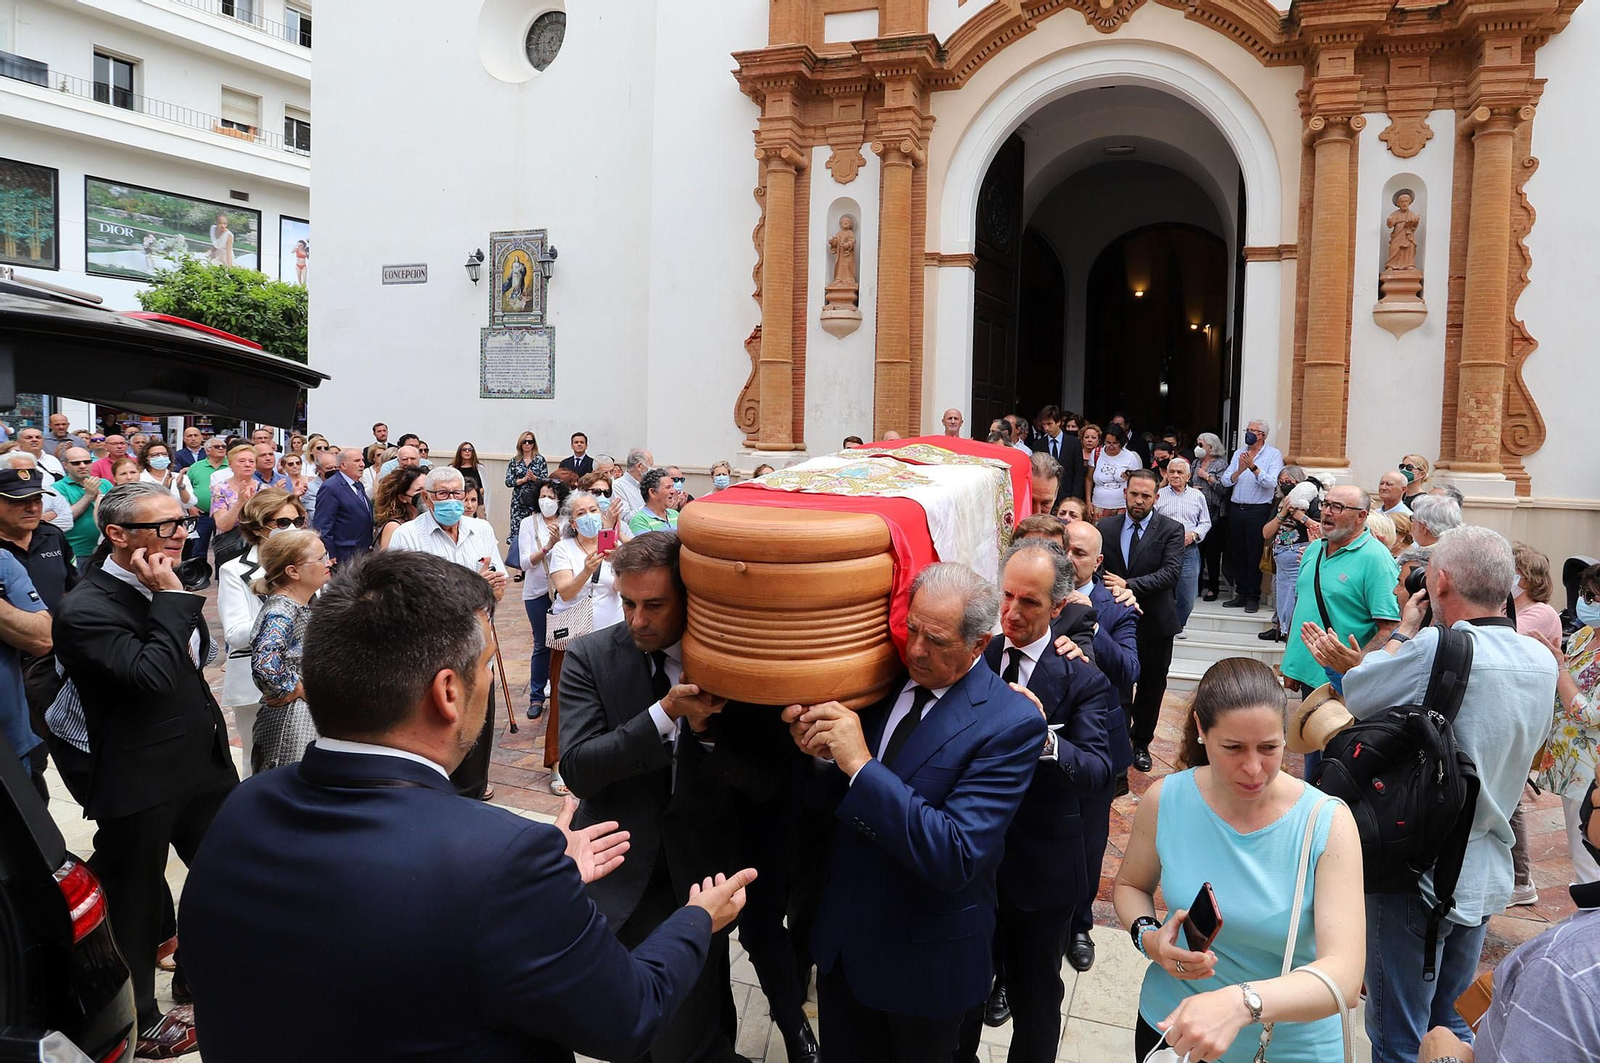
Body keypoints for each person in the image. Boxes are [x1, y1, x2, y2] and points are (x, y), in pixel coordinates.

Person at [179, 549, 756, 1063]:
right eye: (486, 669)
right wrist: (696, 919)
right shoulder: (504, 858)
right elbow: (627, 1018)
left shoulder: (243, 808)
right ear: (448, 692)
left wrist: (539, 889)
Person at [778, 563, 1043, 1060]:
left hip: (927, 969)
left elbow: (955, 853)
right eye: (912, 629)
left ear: (978, 644)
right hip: (844, 952)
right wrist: (820, 760)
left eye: (936, 640)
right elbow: (831, 809)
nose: (916, 649)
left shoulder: (1010, 723)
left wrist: (859, 764)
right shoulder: (876, 683)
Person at [1337, 526, 1554, 1063]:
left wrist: (1404, 630)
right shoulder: (1541, 660)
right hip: (1485, 870)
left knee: (1397, 1036)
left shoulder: (1437, 646)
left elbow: (1358, 692)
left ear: (1440, 579)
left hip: (1418, 868)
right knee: (1452, 1025)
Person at [559, 531, 765, 1063]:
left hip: (702, 873)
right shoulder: (589, 656)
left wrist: (710, 734)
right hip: (623, 878)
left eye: (654, 605)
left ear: (689, 597)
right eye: (627, 603)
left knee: (697, 1021)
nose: (636, 620)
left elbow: (764, 777)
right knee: (640, 1030)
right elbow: (579, 768)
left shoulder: (730, 660)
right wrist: (665, 715)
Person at [51, 483, 234, 1056]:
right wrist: (171, 599)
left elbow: (188, 666)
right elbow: (150, 675)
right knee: (136, 903)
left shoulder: (168, 583)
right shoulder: (86, 608)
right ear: (117, 535)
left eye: (183, 521)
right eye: (164, 527)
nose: (180, 534)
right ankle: (140, 1018)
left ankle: (198, 977)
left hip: (201, 765)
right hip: (141, 778)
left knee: (223, 874)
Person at [1114, 657, 1364, 1063]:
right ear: (1200, 730)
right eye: (1233, 748)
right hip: (1173, 1033)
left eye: (1269, 748)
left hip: (1287, 1050)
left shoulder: (1326, 822)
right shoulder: (1167, 798)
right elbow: (1130, 886)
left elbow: (1345, 975)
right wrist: (1150, 937)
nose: (1253, 769)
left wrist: (1240, 1003)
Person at [955, 540, 1116, 1063]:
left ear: (1058, 607)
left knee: (1036, 1002)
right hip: (971, 864)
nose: (1011, 612)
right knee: (963, 995)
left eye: (1028, 602)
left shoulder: (1082, 678)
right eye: (1006, 596)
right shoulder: (976, 657)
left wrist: (1041, 734)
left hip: (1039, 874)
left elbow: (1097, 772)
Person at [389, 466, 507, 801]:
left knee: (476, 727)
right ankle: (436, 796)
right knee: (437, 727)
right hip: (433, 650)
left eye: (457, 493)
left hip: (477, 646)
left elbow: (496, 586)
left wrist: (493, 589)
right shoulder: (408, 536)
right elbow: (402, 597)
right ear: (426, 497)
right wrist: (472, 588)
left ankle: (472, 792)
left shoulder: (480, 529)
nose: (452, 500)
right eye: (443, 494)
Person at [1098, 469, 1184, 775]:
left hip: (1155, 624)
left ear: (1156, 498)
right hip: (1115, 621)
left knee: (1150, 686)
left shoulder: (1171, 529)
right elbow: (1097, 569)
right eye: (1134, 494)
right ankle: (1118, 742)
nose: (1139, 500)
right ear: (1125, 493)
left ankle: (1141, 743)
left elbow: (1170, 573)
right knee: (1118, 684)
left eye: (1146, 495)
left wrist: (1128, 584)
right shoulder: (1105, 527)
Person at [544, 489, 625, 797]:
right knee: (566, 701)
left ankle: (602, 757)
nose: (589, 516)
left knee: (609, 698)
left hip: (612, 633)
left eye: (593, 509)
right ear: (573, 522)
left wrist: (618, 560)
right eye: (581, 513)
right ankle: (558, 763)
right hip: (575, 638)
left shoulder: (612, 545)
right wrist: (587, 570)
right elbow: (564, 591)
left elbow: (621, 588)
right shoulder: (564, 549)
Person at [1290, 486, 1402, 700]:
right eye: (1326, 504)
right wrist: (1293, 662)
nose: (1326, 512)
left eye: (1337, 507)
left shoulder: (1376, 559)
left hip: (1344, 685)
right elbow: (1303, 607)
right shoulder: (1314, 549)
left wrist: (1354, 669)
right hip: (1308, 675)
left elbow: (1390, 627)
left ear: (1361, 516)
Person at [1529, 563, 1600, 884]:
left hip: (1591, 765)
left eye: (1593, 596)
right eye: (1585, 594)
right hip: (1569, 758)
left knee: (1589, 848)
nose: (1585, 602)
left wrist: (1559, 668)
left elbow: (1590, 713)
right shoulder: (1585, 635)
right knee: (1578, 840)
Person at [249, 528, 330, 772]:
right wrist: (298, 688)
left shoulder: (303, 605)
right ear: (293, 571)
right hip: (290, 723)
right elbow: (265, 665)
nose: (328, 563)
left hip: (305, 716)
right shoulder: (281, 611)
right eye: (320, 559)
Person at [0, 484, 52, 799]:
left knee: (29, 836)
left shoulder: (3, 561)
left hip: (13, 742)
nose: (32, 508)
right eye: (22, 502)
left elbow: (43, 637)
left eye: (37, 500)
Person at [1221, 419, 1284, 614]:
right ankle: (1240, 593)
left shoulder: (1273, 454)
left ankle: (1252, 596)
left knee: (1254, 553)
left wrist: (1253, 468)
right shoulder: (1239, 453)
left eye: (1252, 431)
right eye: (1247, 430)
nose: (1248, 433)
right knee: (1237, 552)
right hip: (1236, 508)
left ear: (1262, 435)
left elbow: (1272, 482)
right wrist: (1240, 468)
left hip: (1258, 511)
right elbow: (1225, 480)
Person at [518, 479, 566, 721]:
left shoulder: (568, 523)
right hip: (537, 592)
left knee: (564, 643)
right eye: (543, 495)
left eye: (553, 496)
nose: (547, 501)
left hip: (564, 591)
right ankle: (536, 696)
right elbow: (525, 562)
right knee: (542, 644)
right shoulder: (529, 523)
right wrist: (548, 546)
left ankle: (562, 694)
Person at [1261, 482, 1322, 645]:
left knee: (1299, 603)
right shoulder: (1283, 504)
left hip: (1299, 559)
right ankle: (1286, 639)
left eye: (1289, 480)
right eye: (1281, 480)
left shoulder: (1313, 503)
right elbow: (1266, 532)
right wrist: (1282, 513)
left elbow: (1321, 530)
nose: (1284, 484)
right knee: (1283, 604)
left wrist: (1301, 516)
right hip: (1281, 560)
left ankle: (1293, 646)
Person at [1154, 456, 1211, 631]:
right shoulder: (1158, 495)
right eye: (1172, 472)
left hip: (1188, 550)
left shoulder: (1197, 496)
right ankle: (1167, 626)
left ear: (1189, 476)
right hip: (1162, 550)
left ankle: (1179, 624)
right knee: (1161, 592)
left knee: (1187, 596)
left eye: (1180, 472)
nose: (1175, 475)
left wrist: (1194, 535)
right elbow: (1152, 521)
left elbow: (1205, 522)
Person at [311, 448, 375, 566]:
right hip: (343, 554)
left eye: (362, 460)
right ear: (343, 465)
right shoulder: (331, 487)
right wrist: (330, 553)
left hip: (362, 552)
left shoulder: (358, 485)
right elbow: (323, 525)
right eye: (357, 461)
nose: (362, 464)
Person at [54, 447, 110, 572]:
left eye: (87, 462)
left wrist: (99, 497)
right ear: (65, 465)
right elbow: (65, 518)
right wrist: (89, 495)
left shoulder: (104, 483)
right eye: (76, 463)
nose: (83, 466)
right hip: (77, 552)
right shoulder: (57, 488)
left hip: (106, 550)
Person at [1088, 424, 1142, 520]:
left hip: (1122, 505)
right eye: (1108, 443)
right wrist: (1088, 501)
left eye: (1115, 443)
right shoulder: (1096, 453)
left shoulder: (1130, 456)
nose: (1111, 446)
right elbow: (1089, 479)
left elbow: (1138, 481)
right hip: (1099, 504)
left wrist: (1129, 478)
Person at [1511, 542, 1561, 643]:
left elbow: (1503, 637)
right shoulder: (1504, 607)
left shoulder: (1542, 612)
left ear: (1531, 579)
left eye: (1513, 570)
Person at [506, 431, 549, 545]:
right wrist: (522, 480)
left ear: (533, 444)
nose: (527, 444)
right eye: (524, 442)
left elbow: (546, 480)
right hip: (518, 501)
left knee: (535, 529)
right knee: (517, 529)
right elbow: (508, 481)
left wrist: (534, 478)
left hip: (534, 500)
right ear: (520, 444)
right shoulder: (514, 461)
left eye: (530, 442)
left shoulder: (540, 460)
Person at [372, 466, 426, 551]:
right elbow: (389, 561)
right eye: (419, 490)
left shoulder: (425, 521)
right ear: (402, 498)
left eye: (428, 488)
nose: (426, 494)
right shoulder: (394, 527)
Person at [209, 444, 258, 537]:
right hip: (231, 546)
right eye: (242, 461)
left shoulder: (264, 489)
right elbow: (222, 525)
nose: (247, 464)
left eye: (251, 461)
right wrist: (240, 503)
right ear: (230, 464)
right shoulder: (219, 489)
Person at [628, 468, 680, 534]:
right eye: (668, 487)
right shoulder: (639, 521)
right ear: (652, 492)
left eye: (673, 487)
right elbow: (649, 544)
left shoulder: (675, 514)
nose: (673, 491)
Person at [450, 440, 490, 516]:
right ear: (460, 452)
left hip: (477, 504)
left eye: (470, 450)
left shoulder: (479, 468)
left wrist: (475, 492)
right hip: (458, 503)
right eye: (464, 450)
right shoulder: (453, 468)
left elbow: (485, 488)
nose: (467, 451)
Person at [616, 448, 654, 517]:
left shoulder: (648, 484)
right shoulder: (618, 486)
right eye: (650, 466)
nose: (652, 470)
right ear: (640, 466)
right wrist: (651, 506)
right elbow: (625, 517)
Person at [1028, 451, 1063, 517]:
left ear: (1056, 495)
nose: (1037, 512)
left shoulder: (1065, 527)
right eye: (1031, 501)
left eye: (1045, 503)